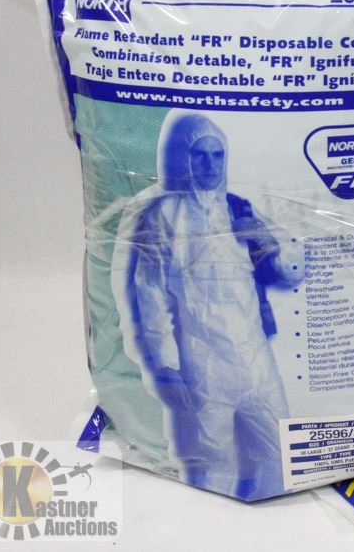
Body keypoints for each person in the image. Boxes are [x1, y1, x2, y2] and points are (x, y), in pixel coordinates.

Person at [111, 112, 303, 500]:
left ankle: (286, 524)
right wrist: (167, 366)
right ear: (183, 158)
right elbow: (151, 293)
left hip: (256, 362)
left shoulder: (239, 209)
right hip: (203, 365)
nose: (210, 165)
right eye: (200, 155)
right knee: (213, 467)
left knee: (280, 456)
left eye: (217, 155)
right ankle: (209, 526)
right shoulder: (164, 216)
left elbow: (291, 274)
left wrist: (263, 238)